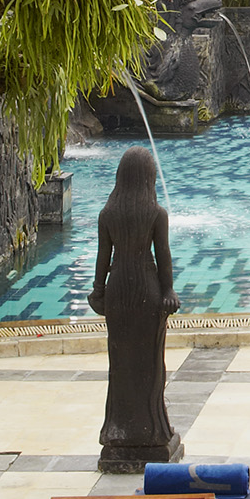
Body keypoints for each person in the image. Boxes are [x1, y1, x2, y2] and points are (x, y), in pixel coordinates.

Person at [91, 145, 182, 467]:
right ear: (148, 178)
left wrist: (97, 291)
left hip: (118, 292)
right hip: (146, 289)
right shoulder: (156, 214)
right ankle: (153, 431)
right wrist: (169, 290)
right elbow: (163, 256)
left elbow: (103, 258)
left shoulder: (107, 214)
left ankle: (119, 431)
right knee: (149, 363)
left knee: (120, 363)